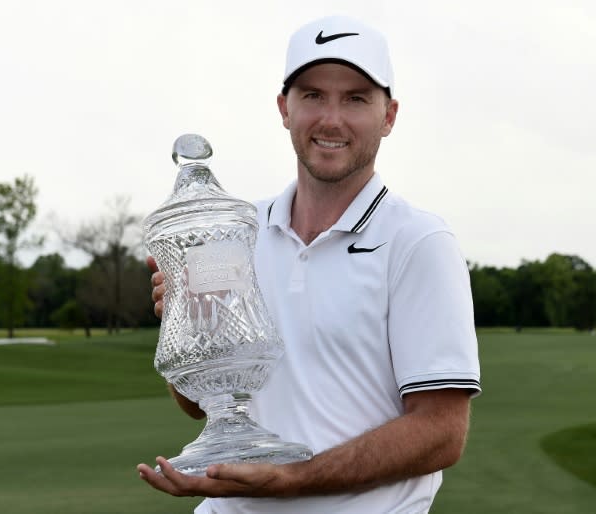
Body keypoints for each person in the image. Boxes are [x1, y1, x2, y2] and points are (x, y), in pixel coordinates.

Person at [138, 15, 481, 514]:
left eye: (356, 98)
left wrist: (289, 480)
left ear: (390, 115)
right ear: (284, 108)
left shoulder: (418, 241)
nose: (331, 119)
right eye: (313, 95)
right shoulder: (237, 230)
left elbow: (441, 434)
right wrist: (188, 326)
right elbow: (199, 408)